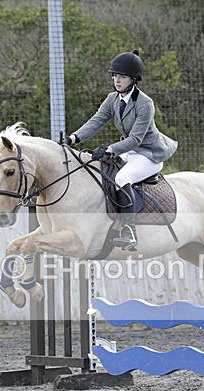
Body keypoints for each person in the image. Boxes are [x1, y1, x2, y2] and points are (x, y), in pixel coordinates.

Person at [66, 49, 178, 251]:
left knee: (121, 178)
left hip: (149, 154)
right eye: (115, 76)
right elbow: (97, 120)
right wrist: (75, 137)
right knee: (102, 169)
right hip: (132, 151)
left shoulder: (145, 104)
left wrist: (109, 149)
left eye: (122, 77)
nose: (117, 80)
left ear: (134, 79)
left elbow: (135, 139)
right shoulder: (113, 99)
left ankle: (129, 231)